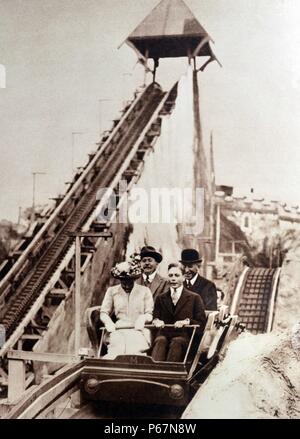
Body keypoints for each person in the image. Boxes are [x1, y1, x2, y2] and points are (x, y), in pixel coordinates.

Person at [151, 263, 206, 363]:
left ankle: (171, 374)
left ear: (184, 277)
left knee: (177, 342)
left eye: (177, 275)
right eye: (170, 275)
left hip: (185, 337)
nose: (173, 279)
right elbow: (155, 317)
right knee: (160, 341)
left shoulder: (194, 298)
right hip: (164, 334)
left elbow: (201, 323)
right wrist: (156, 321)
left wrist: (187, 322)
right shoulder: (160, 298)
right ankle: (154, 372)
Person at [100, 259, 153, 359]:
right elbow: (103, 312)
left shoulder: (145, 291)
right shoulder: (112, 291)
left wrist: (142, 319)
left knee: (134, 352)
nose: (127, 286)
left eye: (130, 282)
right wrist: (108, 322)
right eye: (124, 282)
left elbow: (149, 314)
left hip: (138, 329)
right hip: (119, 329)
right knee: (116, 351)